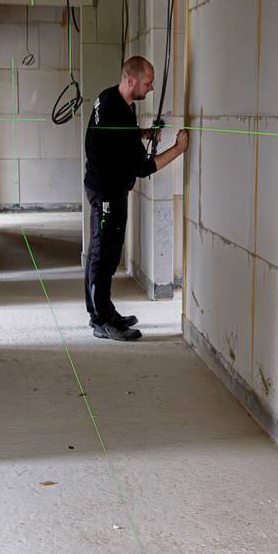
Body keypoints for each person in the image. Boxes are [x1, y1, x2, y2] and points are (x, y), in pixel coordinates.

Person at [84, 56, 189, 341]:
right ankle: (101, 320)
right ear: (131, 80)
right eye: (148, 82)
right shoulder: (115, 112)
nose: (152, 87)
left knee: (106, 251)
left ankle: (103, 310)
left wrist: (142, 134)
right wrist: (178, 149)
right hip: (107, 191)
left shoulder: (111, 98)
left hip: (108, 187)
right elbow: (144, 168)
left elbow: (117, 138)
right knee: (103, 254)